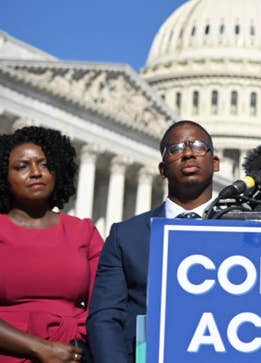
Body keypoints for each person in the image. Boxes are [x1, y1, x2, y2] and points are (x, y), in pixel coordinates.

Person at [87, 120, 220, 363]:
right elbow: (104, 318)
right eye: (176, 149)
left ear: (215, 163)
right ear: (162, 169)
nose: (188, 153)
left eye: (199, 146)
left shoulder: (245, 232)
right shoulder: (126, 236)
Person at [0, 126, 103, 363]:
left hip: (74, 353)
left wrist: (77, 346)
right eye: (22, 166)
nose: (36, 172)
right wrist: (39, 347)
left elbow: (103, 303)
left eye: (45, 164)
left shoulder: (83, 231)